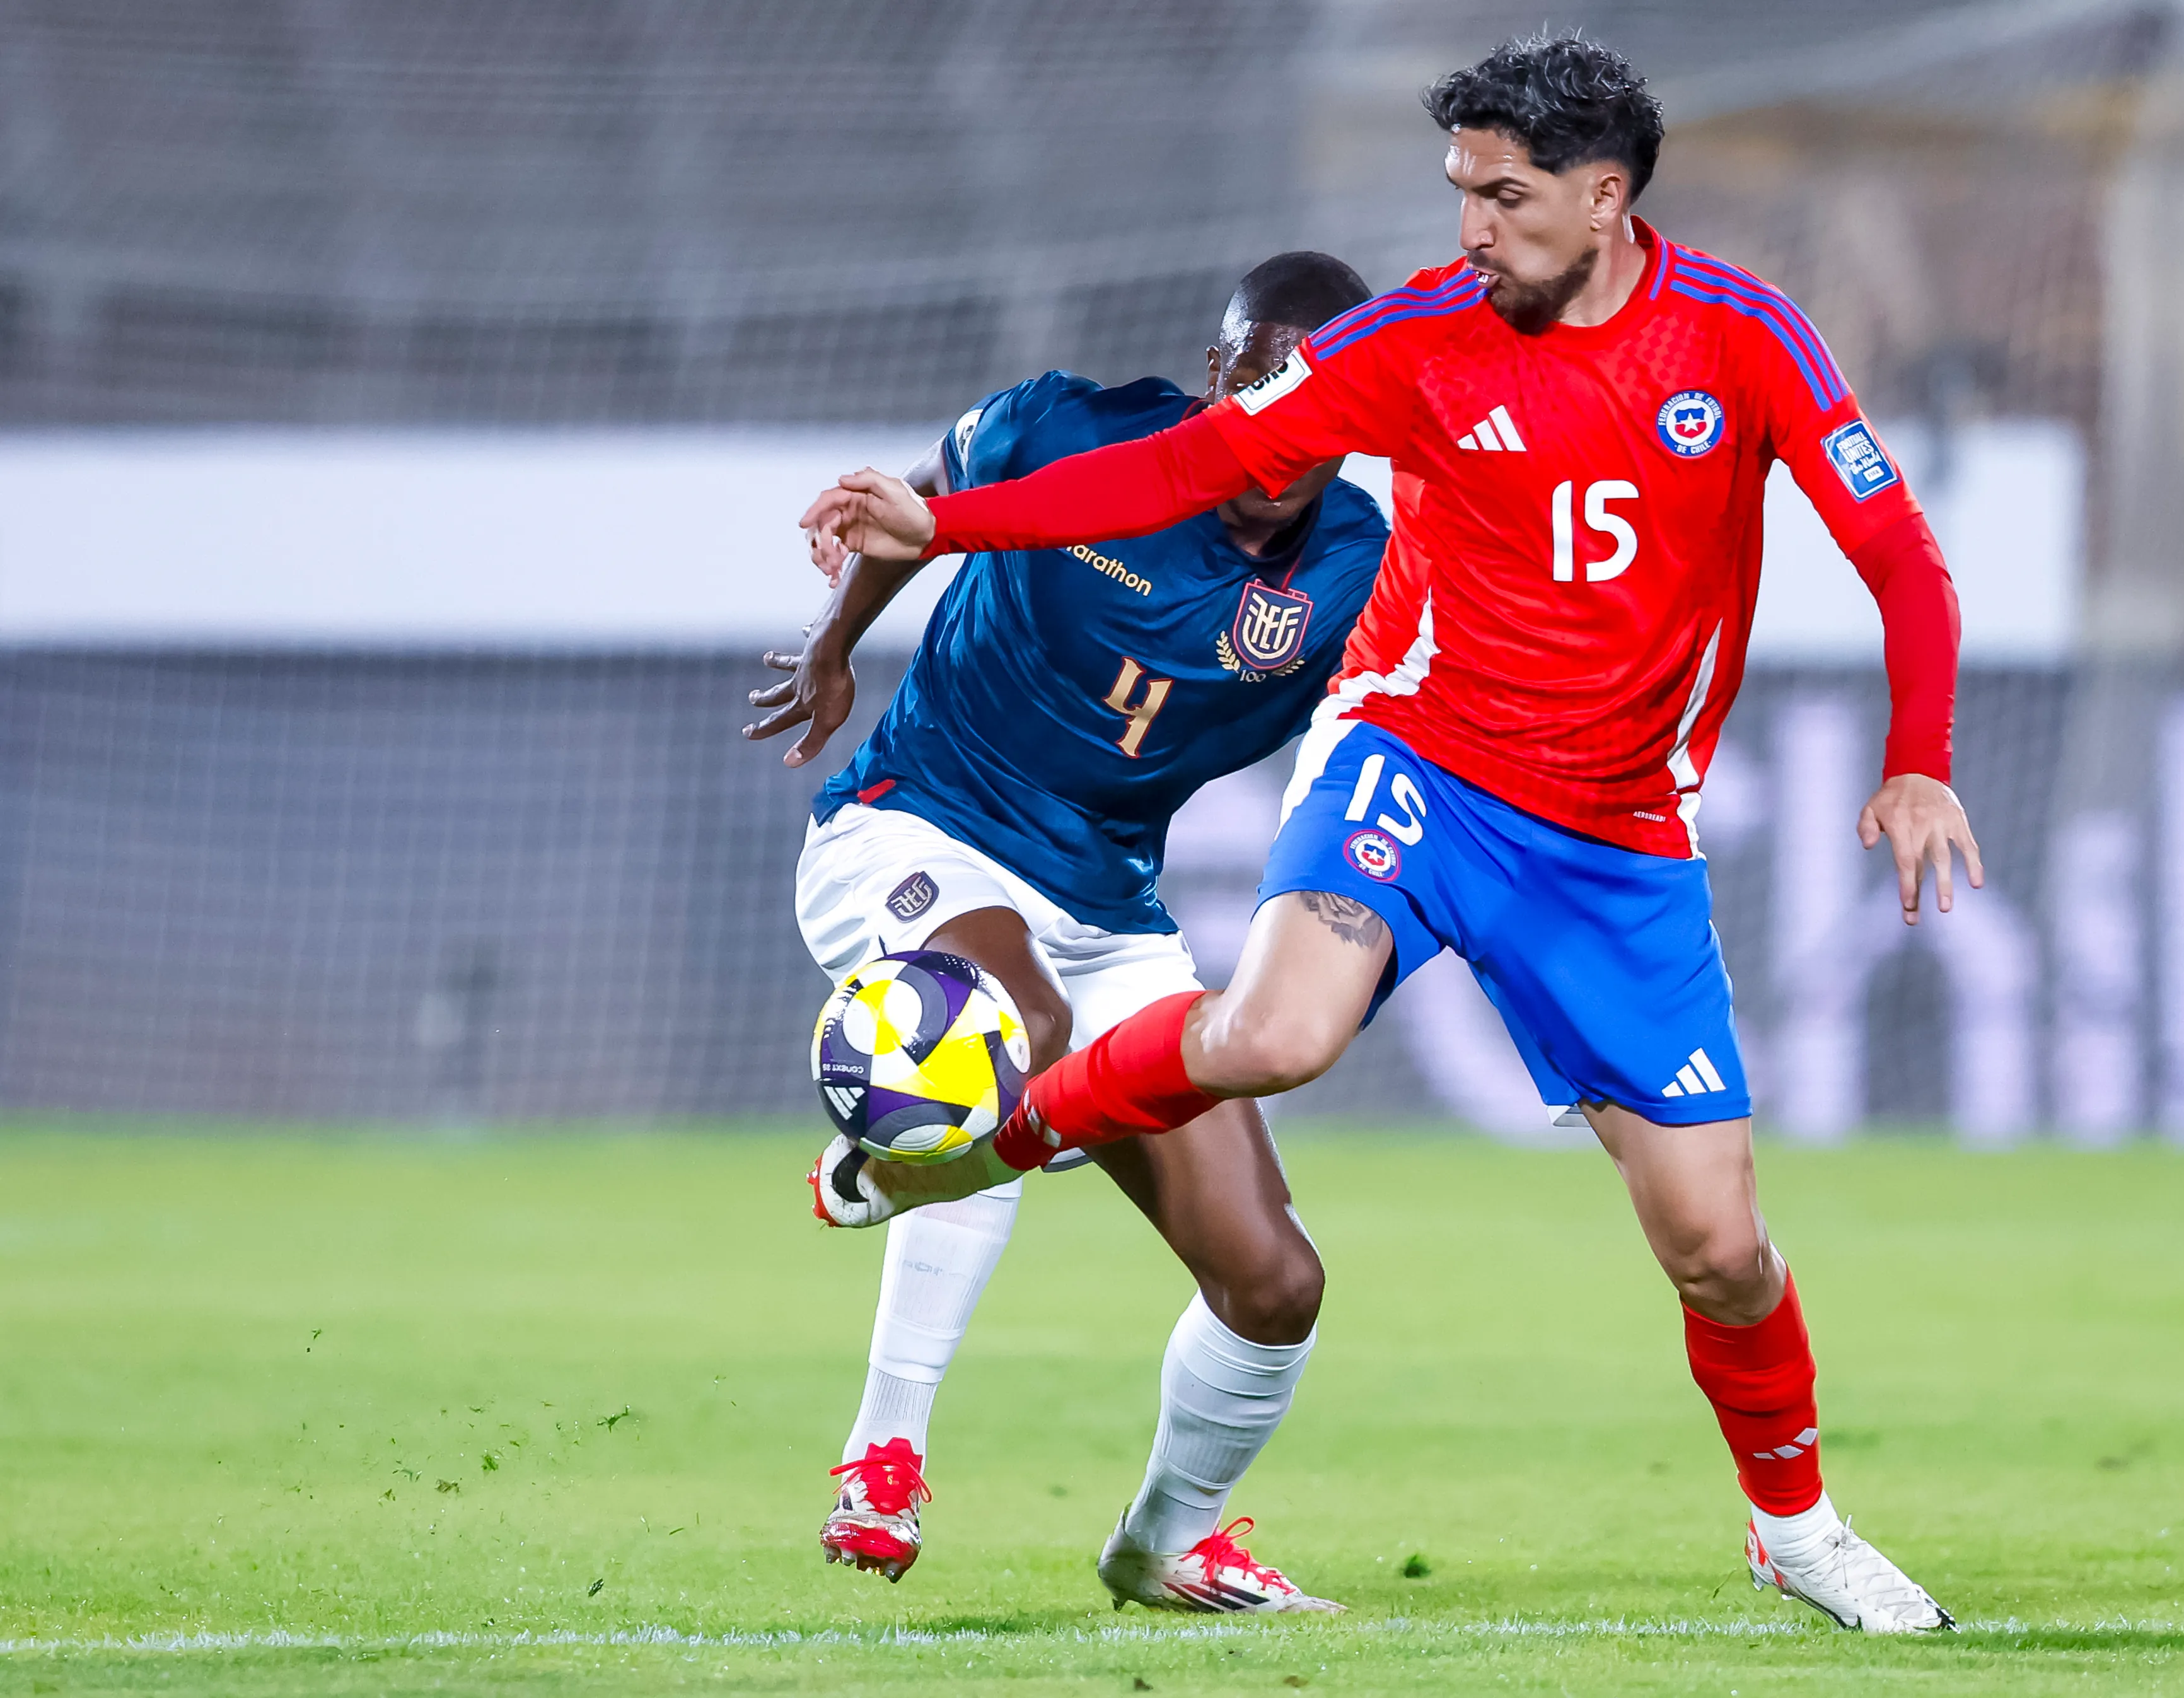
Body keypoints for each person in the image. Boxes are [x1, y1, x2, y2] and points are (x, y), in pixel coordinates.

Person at [799, 37, 1984, 1636]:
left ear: (1605, 194)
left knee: (1720, 1250)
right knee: (1275, 1031)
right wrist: (945, 524)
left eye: (1503, 196)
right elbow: (1189, 460)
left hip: (1617, 835)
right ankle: (961, 1150)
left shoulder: (1745, 341)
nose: (1472, 226)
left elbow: (1902, 557)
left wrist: (1919, 760)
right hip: (1413, 764)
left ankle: (1795, 1525)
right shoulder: (1417, 335)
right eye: (1459, 192)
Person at [752, 252, 1385, 1612]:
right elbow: (913, 508)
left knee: (1273, 1280)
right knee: (1009, 1028)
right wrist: (833, 641)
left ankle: (1166, 1540)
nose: (1276, 421)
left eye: (1316, 393)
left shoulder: (1360, 563)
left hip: (1110, 909)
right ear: (1216, 378)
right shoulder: (1070, 427)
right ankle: (884, 1448)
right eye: (1254, 379)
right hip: (920, 828)